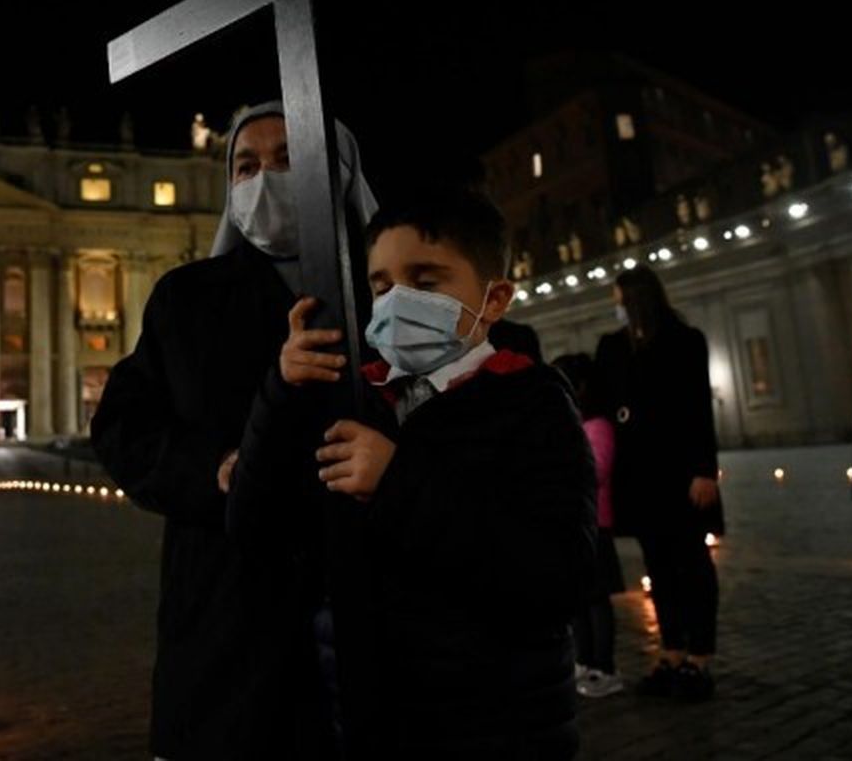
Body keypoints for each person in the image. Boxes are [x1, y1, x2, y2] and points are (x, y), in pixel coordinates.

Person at [231, 188, 595, 758]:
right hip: (364, 717)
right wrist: (279, 394)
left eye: (425, 283)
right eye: (380, 285)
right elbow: (253, 525)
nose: (397, 300)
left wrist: (397, 482)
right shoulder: (355, 397)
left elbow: (557, 577)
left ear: (494, 298)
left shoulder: (533, 403)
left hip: (496, 726)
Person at [91, 101, 376, 761]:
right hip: (227, 601)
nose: (265, 180)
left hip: (375, 595)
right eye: (246, 167)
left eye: (287, 160)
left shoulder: (385, 284)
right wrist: (209, 468)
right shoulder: (184, 298)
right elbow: (121, 427)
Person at [594, 266, 722, 702]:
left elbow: (699, 410)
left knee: (693, 566)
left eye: (619, 296)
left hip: (682, 475)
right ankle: (670, 651)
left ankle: (699, 656)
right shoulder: (613, 348)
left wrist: (705, 469)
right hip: (640, 477)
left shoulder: (686, 342)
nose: (616, 305)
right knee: (659, 569)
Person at [554, 352, 625, 699]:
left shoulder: (598, 426)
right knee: (579, 601)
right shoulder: (577, 424)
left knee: (597, 603)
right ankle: (583, 659)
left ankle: (605, 666)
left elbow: (593, 471)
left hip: (596, 526)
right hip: (573, 526)